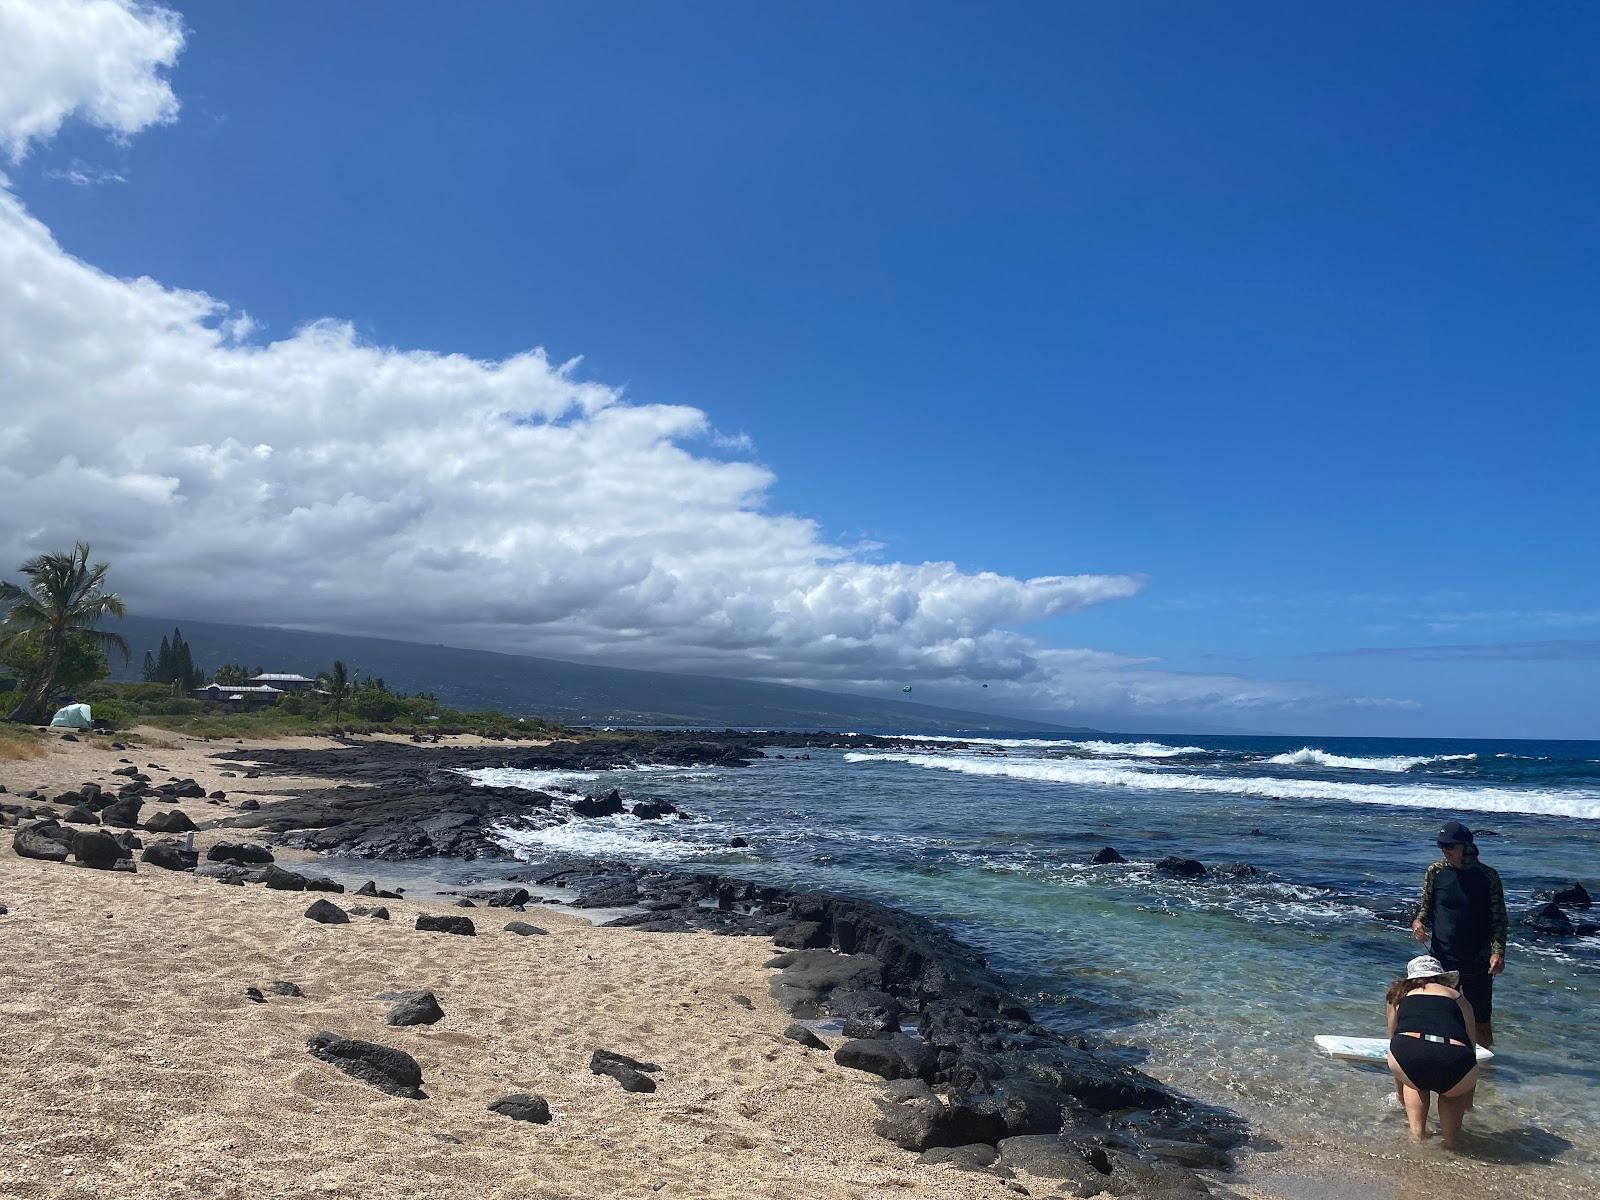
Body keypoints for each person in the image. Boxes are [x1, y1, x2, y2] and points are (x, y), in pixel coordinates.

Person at [1411, 819, 1506, 1047]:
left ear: (1466, 847)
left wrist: (1498, 952)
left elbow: (1499, 918)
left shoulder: (1488, 877)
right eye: (1442, 846)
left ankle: (1485, 1072)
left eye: (1450, 847)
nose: (1445, 851)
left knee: (1480, 1019)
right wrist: (1418, 923)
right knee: (1440, 1013)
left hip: (1478, 960)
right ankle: (1440, 1059)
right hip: (1441, 958)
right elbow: (1425, 906)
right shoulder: (1436, 872)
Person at [1387, 954, 1479, 1149]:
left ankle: (1417, 1137)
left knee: (1414, 1083)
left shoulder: (1398, 997)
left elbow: (1394, 1039)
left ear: (1410, 978)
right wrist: (1468, 1096)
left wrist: (1399, 1092)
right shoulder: (1459, 998)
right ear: (1441, 977)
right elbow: (1471, 1046)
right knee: (1451, 1094)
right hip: (1455, 1058)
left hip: (1408, 1053)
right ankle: (1451, 1144)